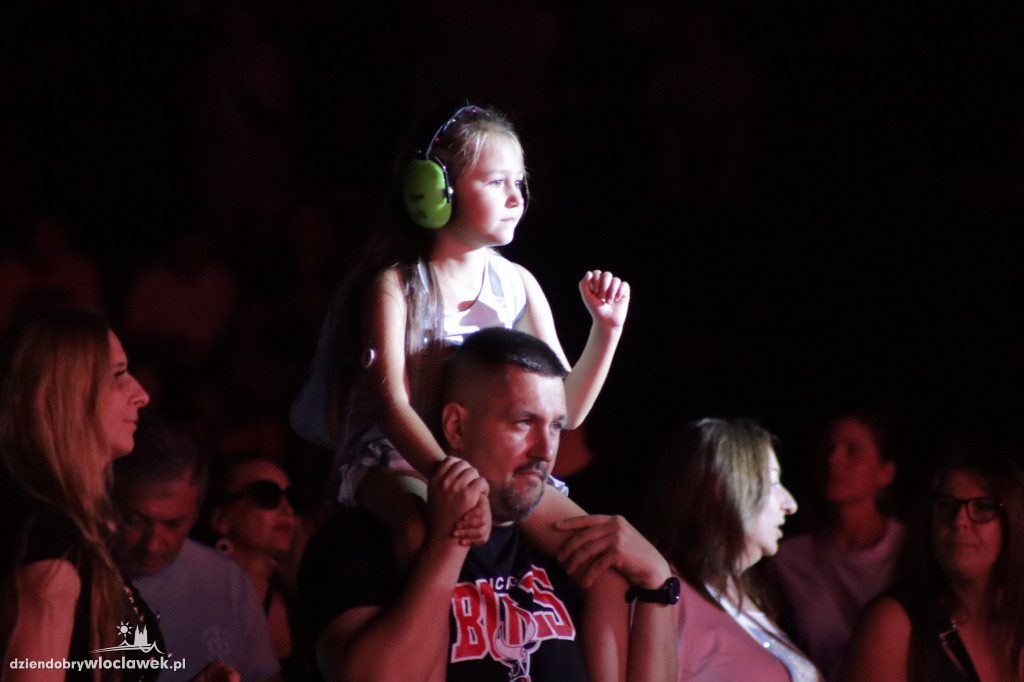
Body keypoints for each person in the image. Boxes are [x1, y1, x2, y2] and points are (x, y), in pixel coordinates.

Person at [292, 103, 630, 567]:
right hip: (403, 459)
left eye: (519, 183)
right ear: (434, 191)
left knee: (599, 560)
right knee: (420, 535)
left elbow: (566, 412)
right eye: (496, 182)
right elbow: (393, 408)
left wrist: (605, 331)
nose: (516, 198)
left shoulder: (518, 285)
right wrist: (450, 477)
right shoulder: (397, 285)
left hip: (486, 462)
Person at [298, 328, 677, 681]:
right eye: (523, 422)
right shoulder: (361, 540)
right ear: (456, 427)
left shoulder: (561, 553)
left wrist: (658, 582)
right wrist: (448, 546)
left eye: (556, 427)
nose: (545, 451)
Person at [0, 307, 237, 682]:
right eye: (118, 375)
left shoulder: (68, 533)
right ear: (65, 394)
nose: (141, 394)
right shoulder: (50, 543)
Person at [639, 417, 824, 682]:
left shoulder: (746, 596)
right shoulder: (666, 593)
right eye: (773, 483)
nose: (790, 504)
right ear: (723, 487)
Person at [112, 420, 281, 682]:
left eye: (173, 523)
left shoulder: (227, 581)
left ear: (197, 508)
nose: (152, 544)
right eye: (134, 520)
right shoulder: (75, 578)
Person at [841, 440, 1024, 682]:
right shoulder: (893, 624)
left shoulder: (1015, 615)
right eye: (946, 506)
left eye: (982, 507)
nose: (960, 521)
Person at [767, 411, 906, 681]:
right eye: (827, 450)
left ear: (886, 472)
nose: (833, 460)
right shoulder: (787, 558)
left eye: (852, 451)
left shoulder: (912, 549)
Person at [206, 455, 297, 665]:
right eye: (266, 495)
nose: (287, 510)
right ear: (221, 518)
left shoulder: (301, 604)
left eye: (291, 497)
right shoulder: (191, 599)